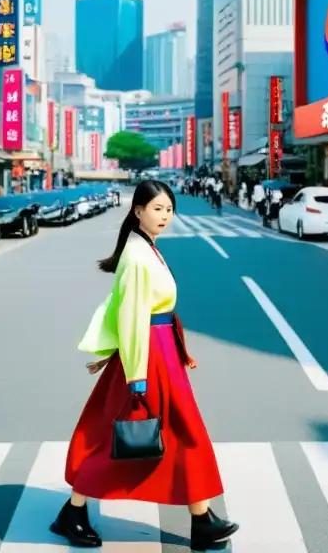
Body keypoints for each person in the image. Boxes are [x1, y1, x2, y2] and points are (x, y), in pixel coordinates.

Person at [58, 180, 239, 549]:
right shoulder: (139, 256)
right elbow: (131, 317)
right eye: (157, 209)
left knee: (172, 433)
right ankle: (74, 511)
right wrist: (136, 375)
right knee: (137, 435)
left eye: (169, 210)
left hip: (159, 352)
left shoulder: (146, 248)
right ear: (137, 211)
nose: (164, 216)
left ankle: (201, 517)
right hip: (148, 357)